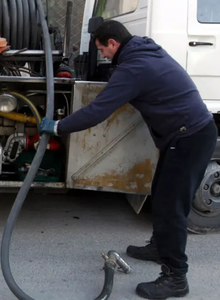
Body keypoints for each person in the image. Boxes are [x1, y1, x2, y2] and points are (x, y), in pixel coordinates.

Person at [40, 20, 218, 299]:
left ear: (113, 43)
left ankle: (175, 277)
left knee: (171, 208)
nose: (104, 56)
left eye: (103, 50)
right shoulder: (145, 51)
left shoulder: (135, 67)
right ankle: (160, 246)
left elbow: (98, 110)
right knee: (160, 195)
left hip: (190, 138)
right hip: (186, 135)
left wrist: (58, 127)